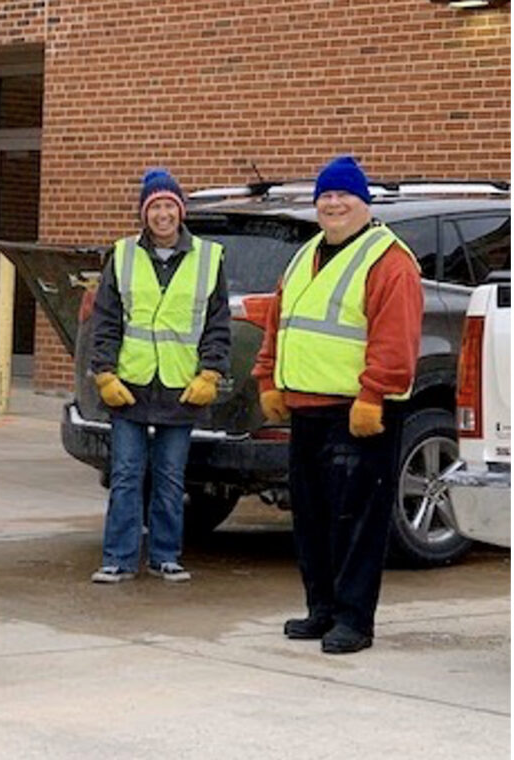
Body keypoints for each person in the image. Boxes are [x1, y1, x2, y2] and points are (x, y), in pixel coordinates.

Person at [253, 155, 423, 654]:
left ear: (364, 202)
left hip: (359, 415)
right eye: (325, 195)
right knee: (312, 518)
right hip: (306, 410)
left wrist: (373, 395)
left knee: (356, 521)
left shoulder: (388, 261)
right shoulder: (304, 256)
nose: (333, 203)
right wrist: (268, 378)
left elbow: (396, 339)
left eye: (344, 195)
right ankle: (321, 609)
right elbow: (278, 324)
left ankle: (353, 619)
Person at [89, 168, 231, 584]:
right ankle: (118, 558)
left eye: (169, 206)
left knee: (170, 478)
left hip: (180, 386)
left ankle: (166, 556)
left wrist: (211, 371)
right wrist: (104, 372)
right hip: (130, 386)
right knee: (126, 475)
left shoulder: (209, 257)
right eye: (154, 207)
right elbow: (106, 320)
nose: (162, 214)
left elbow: (217, 322)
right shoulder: (122, 254)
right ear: (144, 214)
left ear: (181, 211)